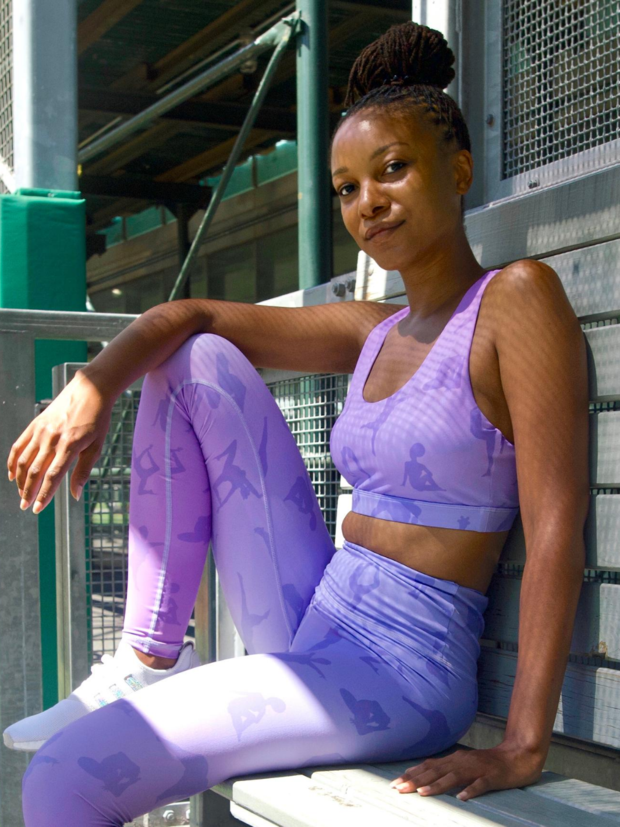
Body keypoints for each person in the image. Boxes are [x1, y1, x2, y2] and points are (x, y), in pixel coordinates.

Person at [4, 20, 589, 826]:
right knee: (191, 356)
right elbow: (193, 313)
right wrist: (95, 387)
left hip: (402, 669)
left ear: (458, 169)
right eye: (346, 187)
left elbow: (558, 526)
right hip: (319, 611)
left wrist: (526, 740)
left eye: (392, 170)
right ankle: (147, 655)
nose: (367, 203)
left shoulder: (515, 300)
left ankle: (149, 674)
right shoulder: (374, 328)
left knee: (65, 779)